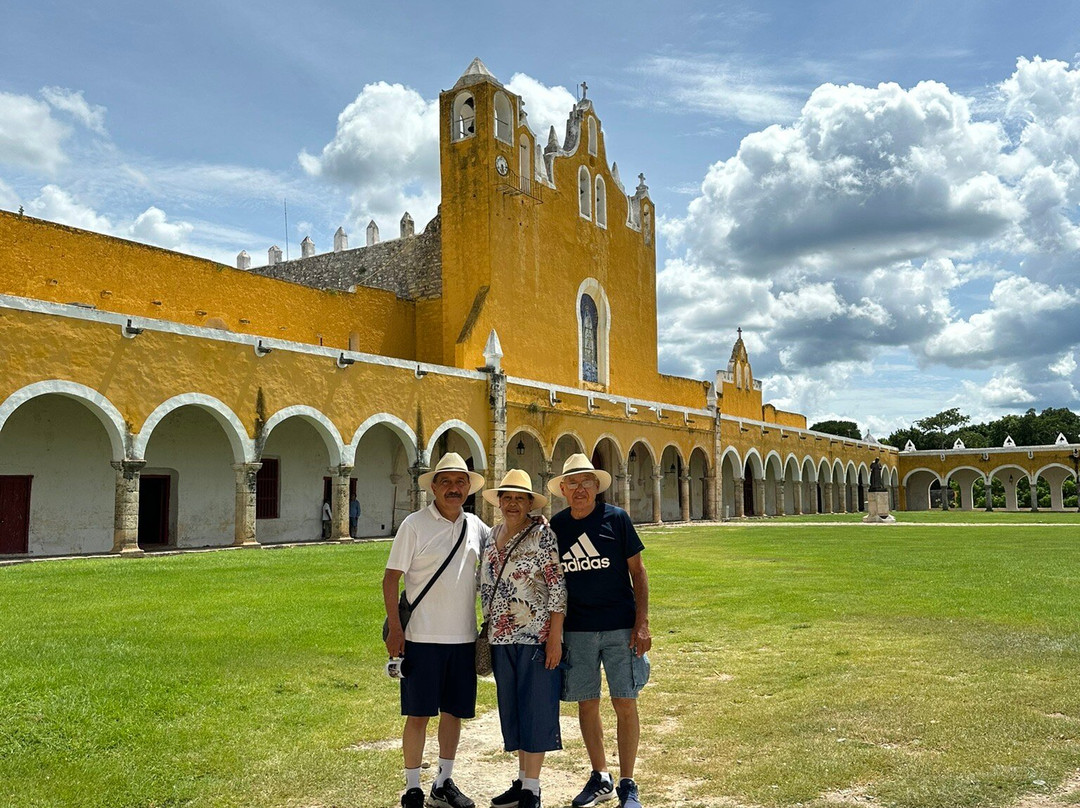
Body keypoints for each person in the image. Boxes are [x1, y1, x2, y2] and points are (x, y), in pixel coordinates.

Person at [383, 452, 489, 808]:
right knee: (418, 715)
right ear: (433, 488)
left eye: (460, 482)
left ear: (468, 488)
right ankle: (412, 787)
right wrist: (396, 629)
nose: (454, 488)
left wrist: (536, 522)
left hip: (462, 638)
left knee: (453, 713)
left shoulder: (476, 526)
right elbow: (391, 579)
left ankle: (443, 783)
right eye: (446, 482)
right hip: (421, 638)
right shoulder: (414, 525)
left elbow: (504, 544)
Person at [548, 454, 651, 808]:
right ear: (563, 489)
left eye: (586, 482)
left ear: (597, 487)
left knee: (625, 702)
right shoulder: (557, 526)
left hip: (620, 627)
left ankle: (627, 783)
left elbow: (638, 572)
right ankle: (600, 776)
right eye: (573, 483)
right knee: (587, 704)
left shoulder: (616, 519)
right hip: (578, 630)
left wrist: (642, 622)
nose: (580, 489)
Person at [480, 470, 567, 808]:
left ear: (530, 504)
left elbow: (557, 587)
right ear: (499, 502)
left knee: (536, 709)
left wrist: (555, 637)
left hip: (536, 636)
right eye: (507, 498)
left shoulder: (542, 535)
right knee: (514, 710)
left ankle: (533, 787)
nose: (513, 504)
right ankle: (521, 780)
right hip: (501, 638)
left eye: (520, 498)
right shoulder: (491, 535)